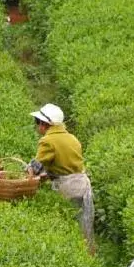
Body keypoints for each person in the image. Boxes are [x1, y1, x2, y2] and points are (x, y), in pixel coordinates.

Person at [26, 103, 95, 253]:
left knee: (68, 225)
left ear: (44, 124)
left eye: (37, 122)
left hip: (67, 187)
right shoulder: (72, 138)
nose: (37, 127)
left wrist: (27, 173)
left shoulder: (47, 141)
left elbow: (35, 168)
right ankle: (89, 254)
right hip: (82, 184)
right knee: (84, 224)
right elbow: (64, 163)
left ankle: (74, 254)